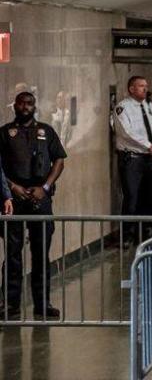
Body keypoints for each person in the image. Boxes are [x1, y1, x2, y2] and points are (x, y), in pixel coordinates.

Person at [0, 91, 66, 319]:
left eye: (29, 103)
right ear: (15, 105)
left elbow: (59, 159)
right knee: (13, 254)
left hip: (41, 198)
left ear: (34, 106)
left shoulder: (46, 131)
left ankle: (42, 303)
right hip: (14, 199)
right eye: (21, 103)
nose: (25, 106)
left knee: (41, 254)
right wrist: (12, 187)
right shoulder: (5, 133)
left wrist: (45, 187)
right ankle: (10, 304)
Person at [112, 76, 152, 240]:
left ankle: (143, 232)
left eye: (146, 86)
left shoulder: (146, 106)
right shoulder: (122, 107)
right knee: (131, 198)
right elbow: (126, 132)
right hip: (131, 158)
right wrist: (149, 145)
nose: (145, 89)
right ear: (131, 89)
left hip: (147, 158)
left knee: (147, 197)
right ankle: (126, 234)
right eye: (141, 86)